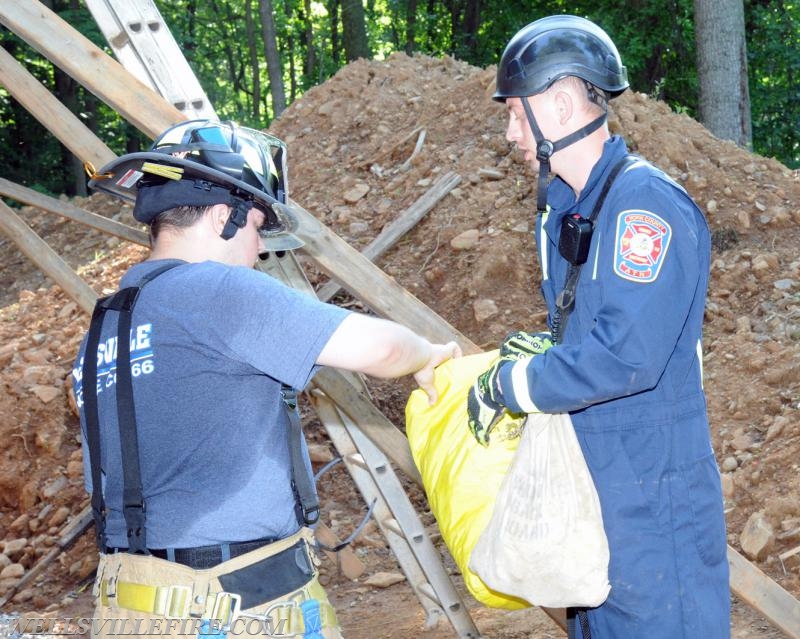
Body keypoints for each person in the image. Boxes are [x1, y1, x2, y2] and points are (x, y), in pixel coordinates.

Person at [71, 119, 460, 639]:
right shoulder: (215, 291)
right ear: (219, 217)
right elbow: (382, 348)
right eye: (256, 227)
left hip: (132, 607)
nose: (259, 250)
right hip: (231, 605)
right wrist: (429, 353)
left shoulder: (107, 325)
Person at [466, 15, 730, 639]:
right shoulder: (576, 206)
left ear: (559, 105)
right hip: (599, 493)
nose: (509, 134)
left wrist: (513, 384)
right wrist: (547, 351)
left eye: (514, 113)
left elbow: (624, 356)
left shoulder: (643, 206)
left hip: (651, 502)